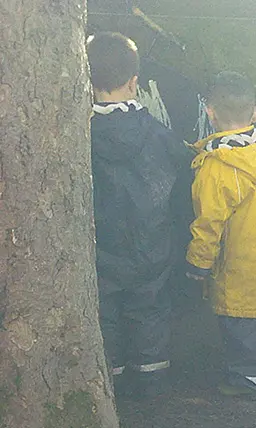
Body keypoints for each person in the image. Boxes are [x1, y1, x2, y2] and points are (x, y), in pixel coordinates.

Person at [87, 32, 190, 400]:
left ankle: (109, 377)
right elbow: (181, 188)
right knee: (151, 308)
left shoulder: (79, 135)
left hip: (101, 247)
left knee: (105, 312)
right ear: (134, 82)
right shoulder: (161, 135)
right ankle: (151, 378)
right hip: (152, 242)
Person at [186, 71, 256, 397]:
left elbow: (209, 222)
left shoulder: (217, 166)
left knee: (245, 321)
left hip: (244, 266)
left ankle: (249, 377)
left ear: (210, 112)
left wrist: (198, 263)